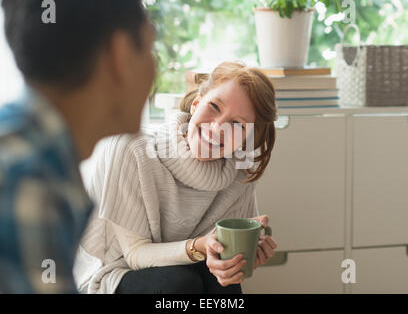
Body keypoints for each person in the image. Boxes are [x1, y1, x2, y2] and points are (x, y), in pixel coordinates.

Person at [0, 0, 155, 293]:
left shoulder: (23, 152)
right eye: (150, 47)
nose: (154, 69)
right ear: (119, 54)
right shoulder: (28, 184)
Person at [75, 61, 279, 294]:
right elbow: (134, 254)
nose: (217, 128)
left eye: (237, 124)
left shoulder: (240, 172)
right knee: (179, 282)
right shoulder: (131, 149)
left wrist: (241, 259)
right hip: (112, 273)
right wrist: (199, 247)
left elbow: (221, 257)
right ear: (196, 103)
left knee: (220, 283)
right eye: (214, 106)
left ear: (247, 138)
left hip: (187, 270)